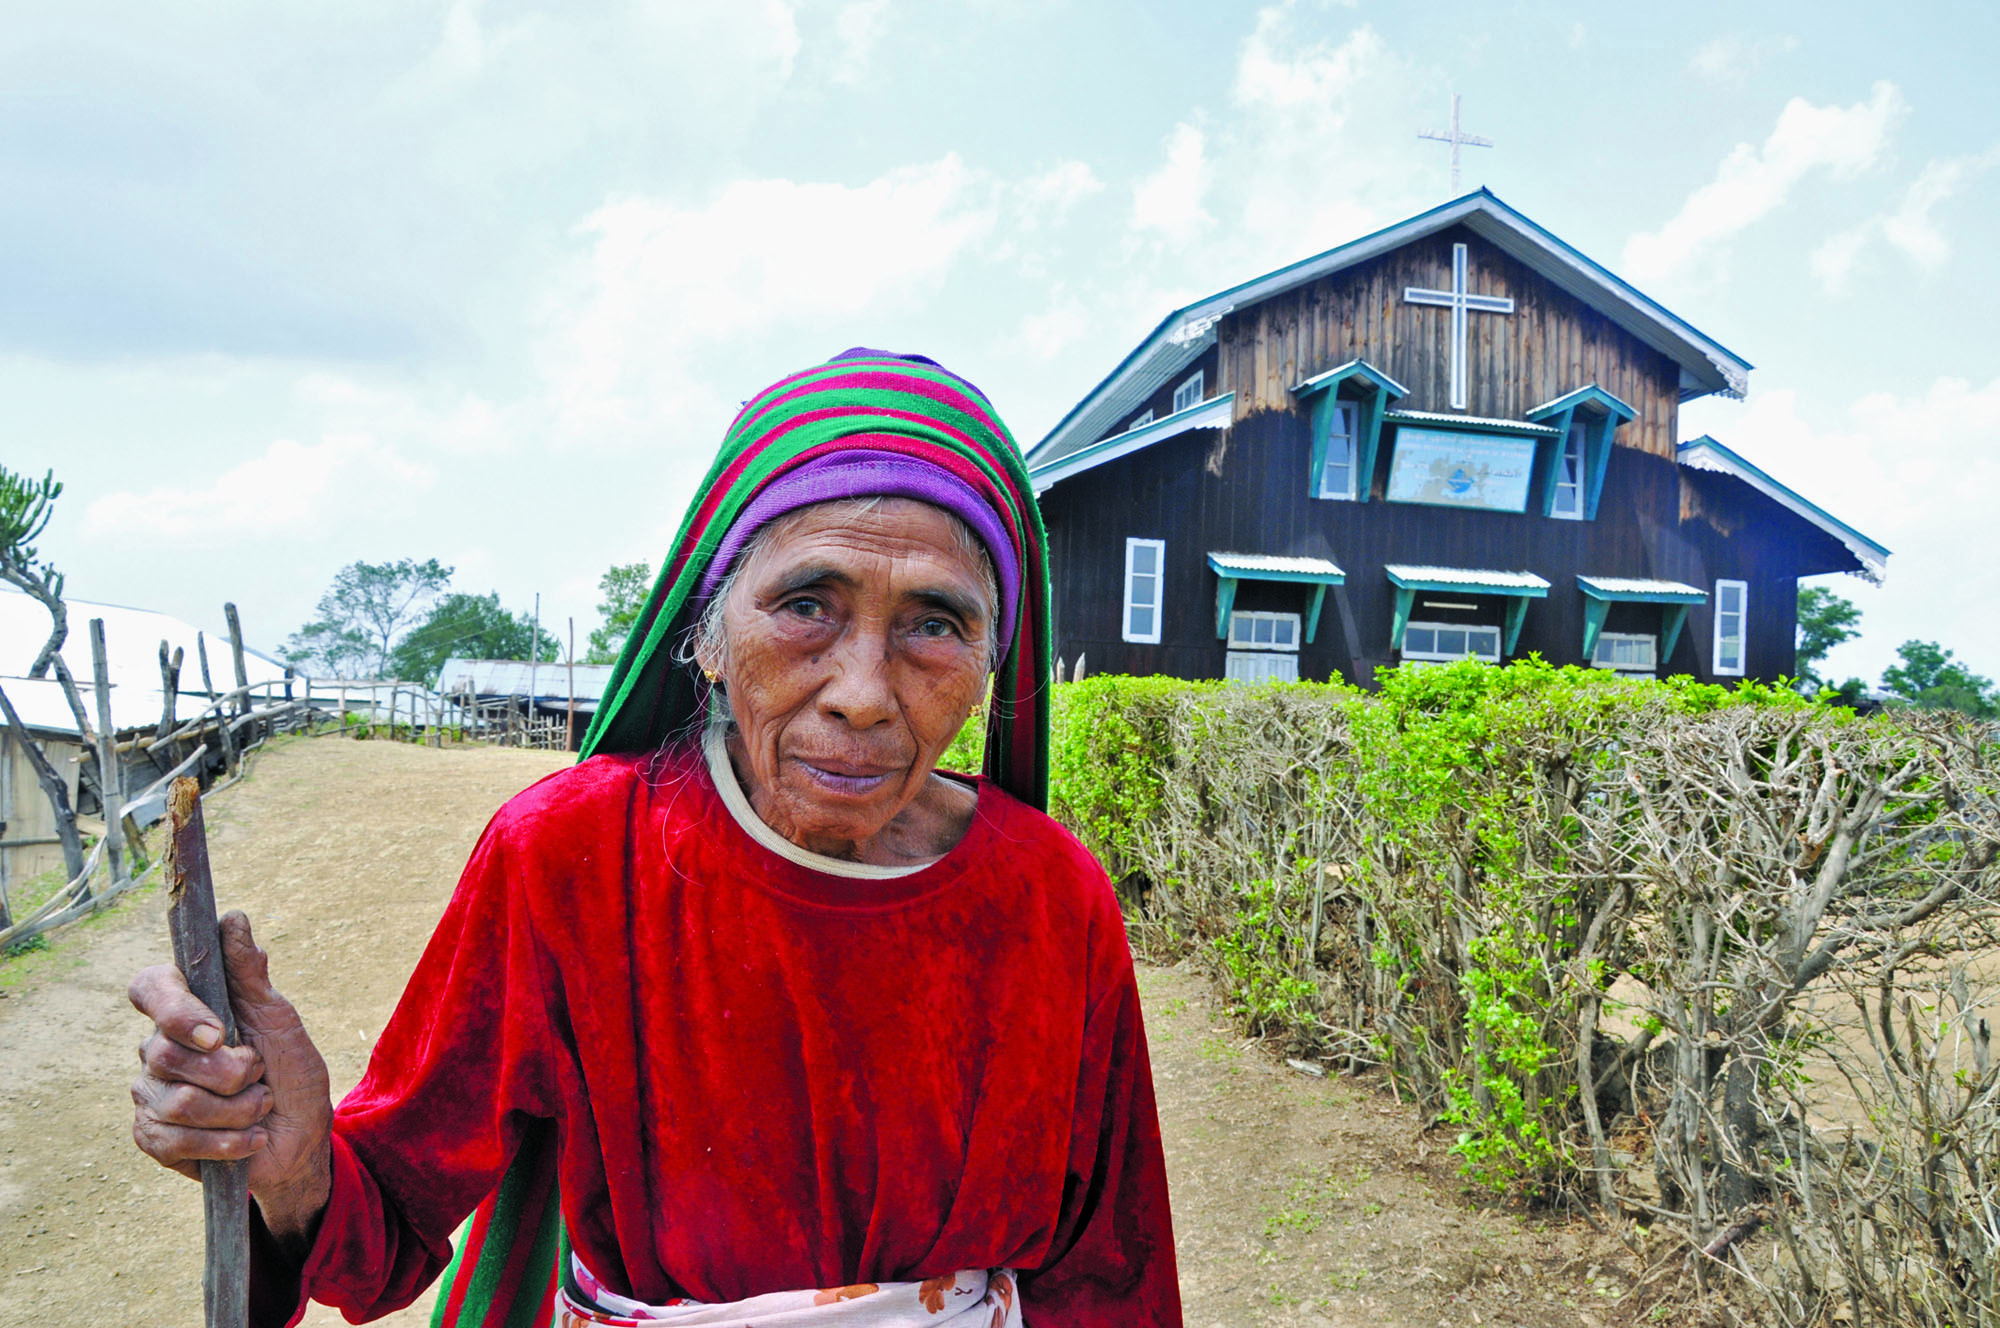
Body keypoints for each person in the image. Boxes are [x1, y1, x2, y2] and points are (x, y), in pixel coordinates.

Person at [128, 350, 1182, 1327]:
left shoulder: (1050, 896)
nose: (863, 692)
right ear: (712, 640)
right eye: (806, 604)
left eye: (932, 623)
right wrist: (292, 1155)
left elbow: (1113, 1275)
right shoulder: (571, 855)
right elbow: (385, 1226)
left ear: (988, 659)